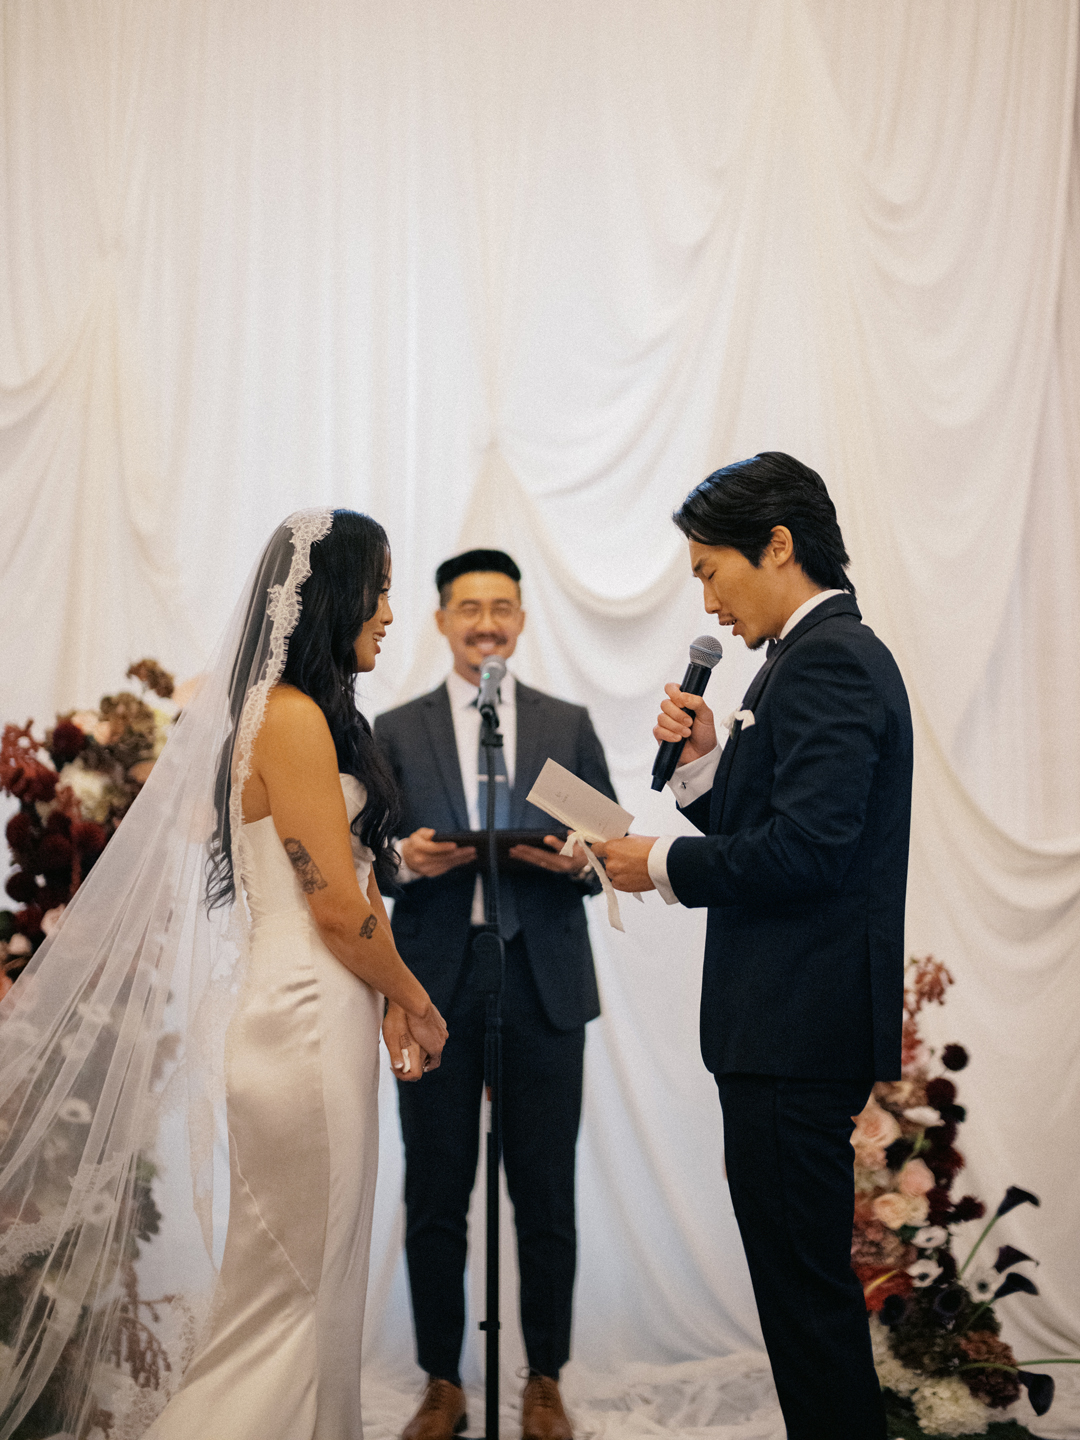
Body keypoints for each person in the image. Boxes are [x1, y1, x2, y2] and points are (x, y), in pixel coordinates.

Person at [0, 509, 446, 1440]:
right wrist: (415, 1000)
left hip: (322, 1011)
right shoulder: (288, 718)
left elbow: (356, 881)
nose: (389, 612)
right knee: (288, 1298)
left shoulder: (308, 716)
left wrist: (387, 1000)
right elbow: (334, 908)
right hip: (302, 1022)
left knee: (316, 1286)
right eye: (379, 589)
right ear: (332, 595)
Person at [595, 454, 912, 1440]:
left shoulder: (829, 660)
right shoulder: (799, 659)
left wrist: (659, 864)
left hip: (794, 1029)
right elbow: (769, 827)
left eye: (708, 570)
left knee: (806, 1307)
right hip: (788, 1029)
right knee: (798, 1299)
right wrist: (702, 766)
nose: (708, 601)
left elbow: (809, 852)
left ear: (776, 544)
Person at [374, 550, 616, 1440]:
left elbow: (608, 849)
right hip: (432, 987)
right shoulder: (395, 730)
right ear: (441, 620)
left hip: (544, 985)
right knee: (436, 1192)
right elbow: (365, 860)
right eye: (469, 608)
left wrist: (577, 858)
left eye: (502, 607)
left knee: (546, 1196)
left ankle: (544, 1381)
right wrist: (406, 861)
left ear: (521, 619)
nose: (486, 623)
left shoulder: (565, 723)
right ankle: (442, 1381)